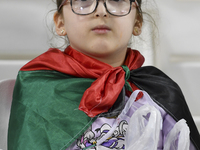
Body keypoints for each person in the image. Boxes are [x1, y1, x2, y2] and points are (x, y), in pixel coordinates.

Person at [8, 0, 200, 149]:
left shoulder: (161, 90)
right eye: (84, 1)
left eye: (117, 0)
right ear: (60, 23)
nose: (101, 11)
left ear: (137, 22)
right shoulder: (37, 89)